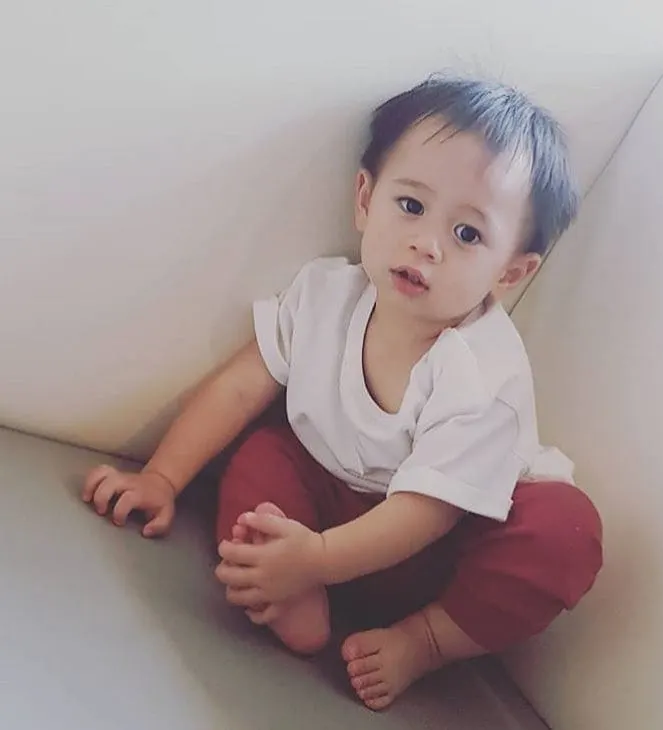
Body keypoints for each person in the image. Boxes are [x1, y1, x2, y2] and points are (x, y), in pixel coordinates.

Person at [82, 76, 603, 711]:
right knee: (262, 455)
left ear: (511, 272)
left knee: (564, 531)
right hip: (326, 502)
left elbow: (428, 512)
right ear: (365, 199)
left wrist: (319, 560)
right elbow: (242, 385)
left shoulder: (483, 372)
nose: (427, 244)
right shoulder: (325, 295)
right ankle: (289, 587)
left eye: (467, 235)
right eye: (410, 205)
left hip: (446, 545)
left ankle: (426, 640)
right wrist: (162, 477)